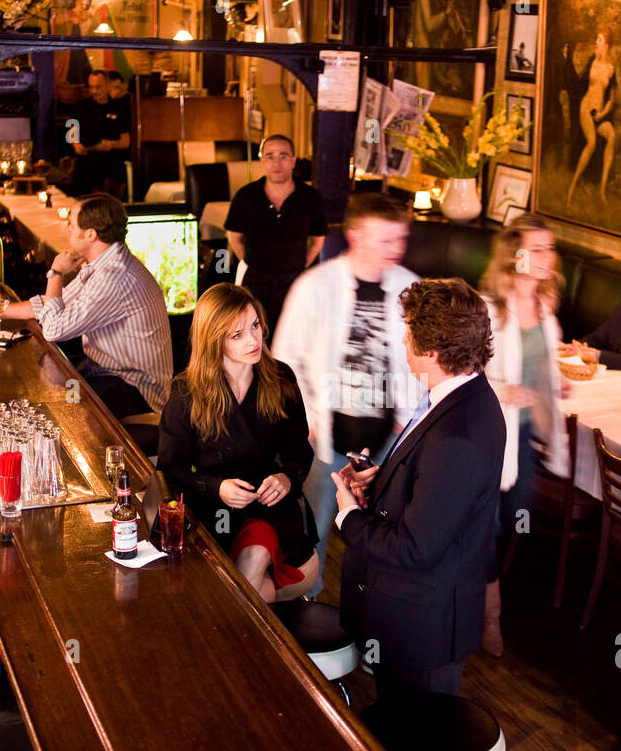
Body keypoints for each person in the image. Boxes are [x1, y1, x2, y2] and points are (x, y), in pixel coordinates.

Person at [334, 278, 505, 699]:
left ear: (430, 351)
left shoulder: (458, 436)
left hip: (423, 630)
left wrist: (349, 515)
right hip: (414, 618)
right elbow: (435, 498)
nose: (403, 340)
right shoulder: (457, 397)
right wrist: (381, 484)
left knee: (410, 743)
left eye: (409, 331)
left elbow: (416, 548)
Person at [273, 193, 422, 598]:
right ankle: (307, 611)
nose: (397, 249)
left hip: (390, 441)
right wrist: (308, 422)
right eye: (385, 240)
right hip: (328, 437)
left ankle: (374, 620)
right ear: (356, 235)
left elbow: (422, 358)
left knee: (386, 536)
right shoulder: (315, 286)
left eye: (400, 239)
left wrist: (408, 415)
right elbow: (284, 361)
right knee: (313, 535)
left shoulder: (411, 287)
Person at [156, 284, 318, 602]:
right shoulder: (186, 391)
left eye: (255, 325)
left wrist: (286, 477)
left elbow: (300, 451)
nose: (254, 340)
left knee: (252, 561)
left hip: (270, 508)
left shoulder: (281, 378)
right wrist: (217, 488)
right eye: (237, 335)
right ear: (214, 340)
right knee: (242, 588)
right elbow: (170, 469)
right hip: (212, 510)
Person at [0, 194, 172, 419]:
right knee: (43, 374)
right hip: (104, 370)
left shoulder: (113, 276)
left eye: (71, 225)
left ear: (91, 234)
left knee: (57, 406)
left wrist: (55, 274)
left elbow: (54, 329)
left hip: (135, 388)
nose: (68, 230)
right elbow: (53, 303)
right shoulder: (104, 264)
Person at [479, 216, 571, 657]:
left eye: (549, 249)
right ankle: (489, 618)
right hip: (488, 440)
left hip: (527, 441)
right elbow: (461, 374)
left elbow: (541, 367)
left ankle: (486, 597)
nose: (544, 258)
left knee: (521, 518)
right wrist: (503, 390)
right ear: (513, 253)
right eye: (535, 248)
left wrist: (552, 382)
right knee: (490, 528)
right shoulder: (489, 309)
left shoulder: (548, 311)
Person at [224, 134, 327, 335]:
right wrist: (253, 261)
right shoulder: (245, 196)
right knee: (254, 338)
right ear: (262, 161)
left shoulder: (311, 198)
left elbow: (317, 242)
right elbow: (235, 238)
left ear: (293, 161)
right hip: (255, 282)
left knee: (292, 338)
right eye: (270, 156)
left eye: (283, 156)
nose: (276, 162)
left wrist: (299, 265)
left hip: (294, 282)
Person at [566, 30, 617, 205]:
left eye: (599, 40)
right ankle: (572, 187)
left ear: (607, 45)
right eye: (596, 39)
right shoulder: (592, 62)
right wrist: (568, 60)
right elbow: (580, 82)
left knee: (612, 136)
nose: (596, 42)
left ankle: (602, 190)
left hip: (600, 113)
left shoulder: (611, 69)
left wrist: (603, 114)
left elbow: (611, 99)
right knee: (592, 142)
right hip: (586, 108)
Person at [69, 70, 130, 199]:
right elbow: (71, 132)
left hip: (110, 170)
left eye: (98, 87)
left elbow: (126, 141)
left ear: (107, 85)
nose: (94, 91)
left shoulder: (120, 109)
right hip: (85, 168)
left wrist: (110, 144)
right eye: (91, 87)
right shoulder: (80, 107)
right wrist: (76, 145)